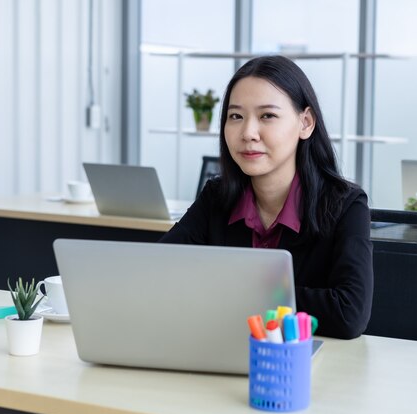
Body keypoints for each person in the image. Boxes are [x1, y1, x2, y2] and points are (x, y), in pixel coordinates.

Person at [159, 56, 373, 339]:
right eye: (236, 116)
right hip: (222, 350)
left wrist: (234, 292)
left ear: (305, 123)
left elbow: (349, 313)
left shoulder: (344, 204)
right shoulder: (217, 197)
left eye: (267, 116)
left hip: (304, 368)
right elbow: (160, 272)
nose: (248, 133)